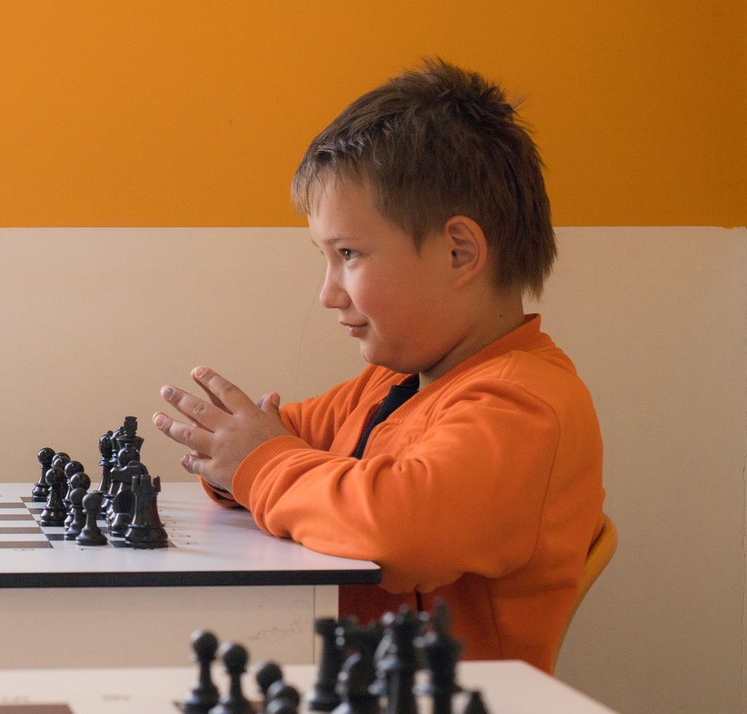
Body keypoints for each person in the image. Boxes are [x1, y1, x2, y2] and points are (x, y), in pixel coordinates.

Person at [152, 60, 603, 673]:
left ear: (458, 252)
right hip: (360, 701)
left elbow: (399, 526)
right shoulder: (395, 383)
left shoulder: (526, 405)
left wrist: (255, 465)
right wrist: (232, 460)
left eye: (349, 255)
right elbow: (284, 443)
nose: (328, 293)